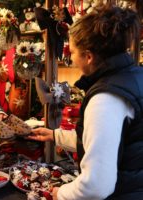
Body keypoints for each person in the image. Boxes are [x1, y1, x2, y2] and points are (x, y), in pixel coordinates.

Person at [29, 4, 143, 200]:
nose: (71, 59)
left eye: (72, 52)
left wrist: (61, 193)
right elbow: (113, 142)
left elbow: (96, 186)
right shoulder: (134, 76)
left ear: (89, 56)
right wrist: (55, 135)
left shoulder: (105, 98)